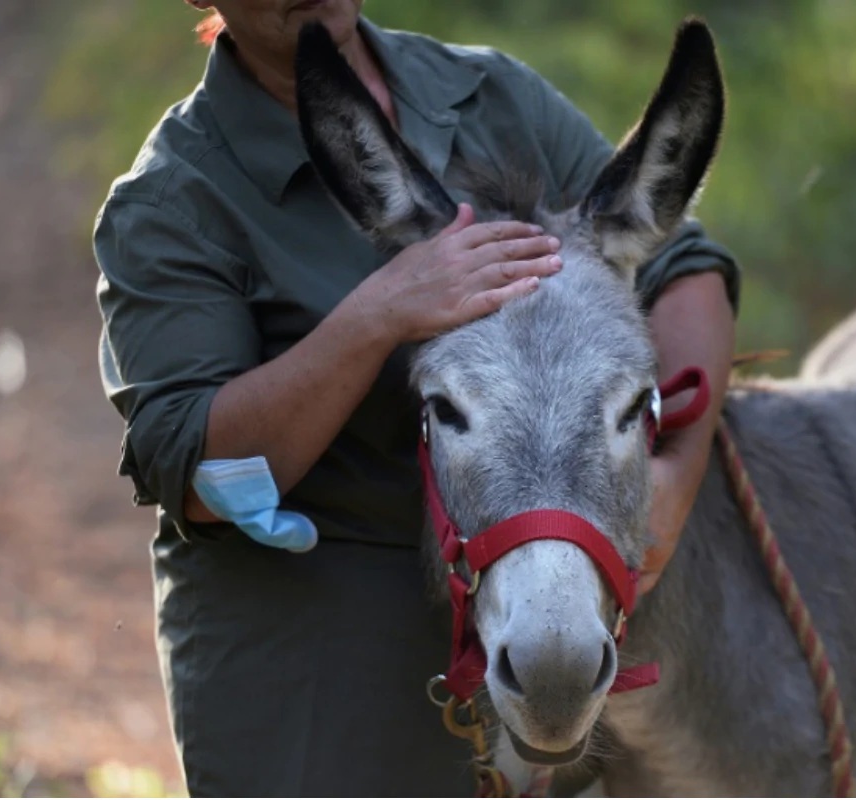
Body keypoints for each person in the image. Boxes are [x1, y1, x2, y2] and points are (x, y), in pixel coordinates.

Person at [93, 0, 738, 795]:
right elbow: (199, 475)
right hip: (312, 631)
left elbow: (685, 269)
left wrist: (671, 482)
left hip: (538, 592)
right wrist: (376, 317)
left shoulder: (489, 91)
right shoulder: (170, 199)